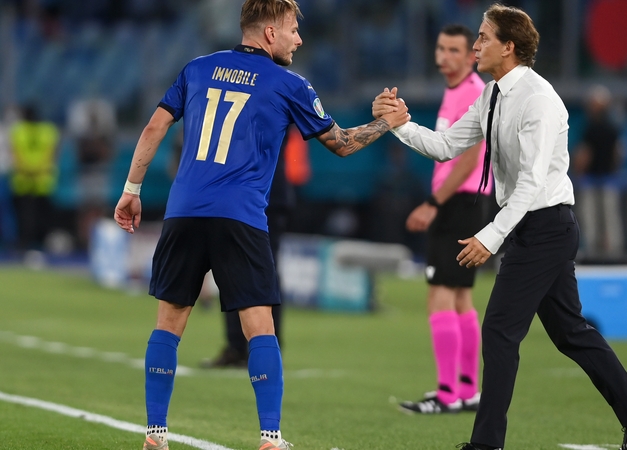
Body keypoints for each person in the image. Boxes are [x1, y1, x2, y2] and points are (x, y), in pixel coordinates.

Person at [372, 5, 627, 450]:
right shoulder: (492, 94)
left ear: (509, 47)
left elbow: (530, 184)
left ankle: (486, 444)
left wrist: (490, 236)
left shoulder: (539, 100)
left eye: (483, 38)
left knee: (499, 330)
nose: (475, 46)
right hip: (532, 227)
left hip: (546, 227)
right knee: (571, 333)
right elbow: (445, 146)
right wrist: (400, 124)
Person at [112, 1, 409, 449]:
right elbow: (342, 144)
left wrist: (132, 189)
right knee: (260, 327)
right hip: (241, 217)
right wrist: (385, 123)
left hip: (184, 212)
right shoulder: (290, 83)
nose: (299, 39)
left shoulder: (197, 68)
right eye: (292, 30)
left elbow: (155, 127)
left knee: (168, 325)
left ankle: (155, 434)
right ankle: (270, 437)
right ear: (270, 33)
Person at [397, 23, 489, 415]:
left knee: (439, 295)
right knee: (461, 296)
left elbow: (468, 158)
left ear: (471, 55)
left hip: (457, 202)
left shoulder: (471, 92)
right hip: (468, 201)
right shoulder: (461, 91)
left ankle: (447, 393)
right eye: (440, 48)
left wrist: (434, 202)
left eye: (454, 50)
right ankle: (468, 390)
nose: (444, 57)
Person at [203, 127, 305, 368]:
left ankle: (266, 349)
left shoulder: (276, 104)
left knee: (264, 271)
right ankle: (237, 346)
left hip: (266, 196)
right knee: (230, 268)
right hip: (234, 195)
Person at [571, 84, 624, 260]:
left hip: (595, 180)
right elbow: (618, 155)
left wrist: (578, 173)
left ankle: (597, 254)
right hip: (605, 180)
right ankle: (608, 253)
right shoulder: (612, 128)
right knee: (606, 219)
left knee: (595, 218)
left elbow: (585, 156)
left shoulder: (591, 129)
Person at [8, 105, 60, 251]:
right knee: (34, 217)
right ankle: (36, 245)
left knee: (29, 217)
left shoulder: (19, 131)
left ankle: (29, 245)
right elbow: (52, 155)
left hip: (26, 180)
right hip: (40, 180)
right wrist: (38, 170)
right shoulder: (48, 130)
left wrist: (28, 170)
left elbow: (16, 155)